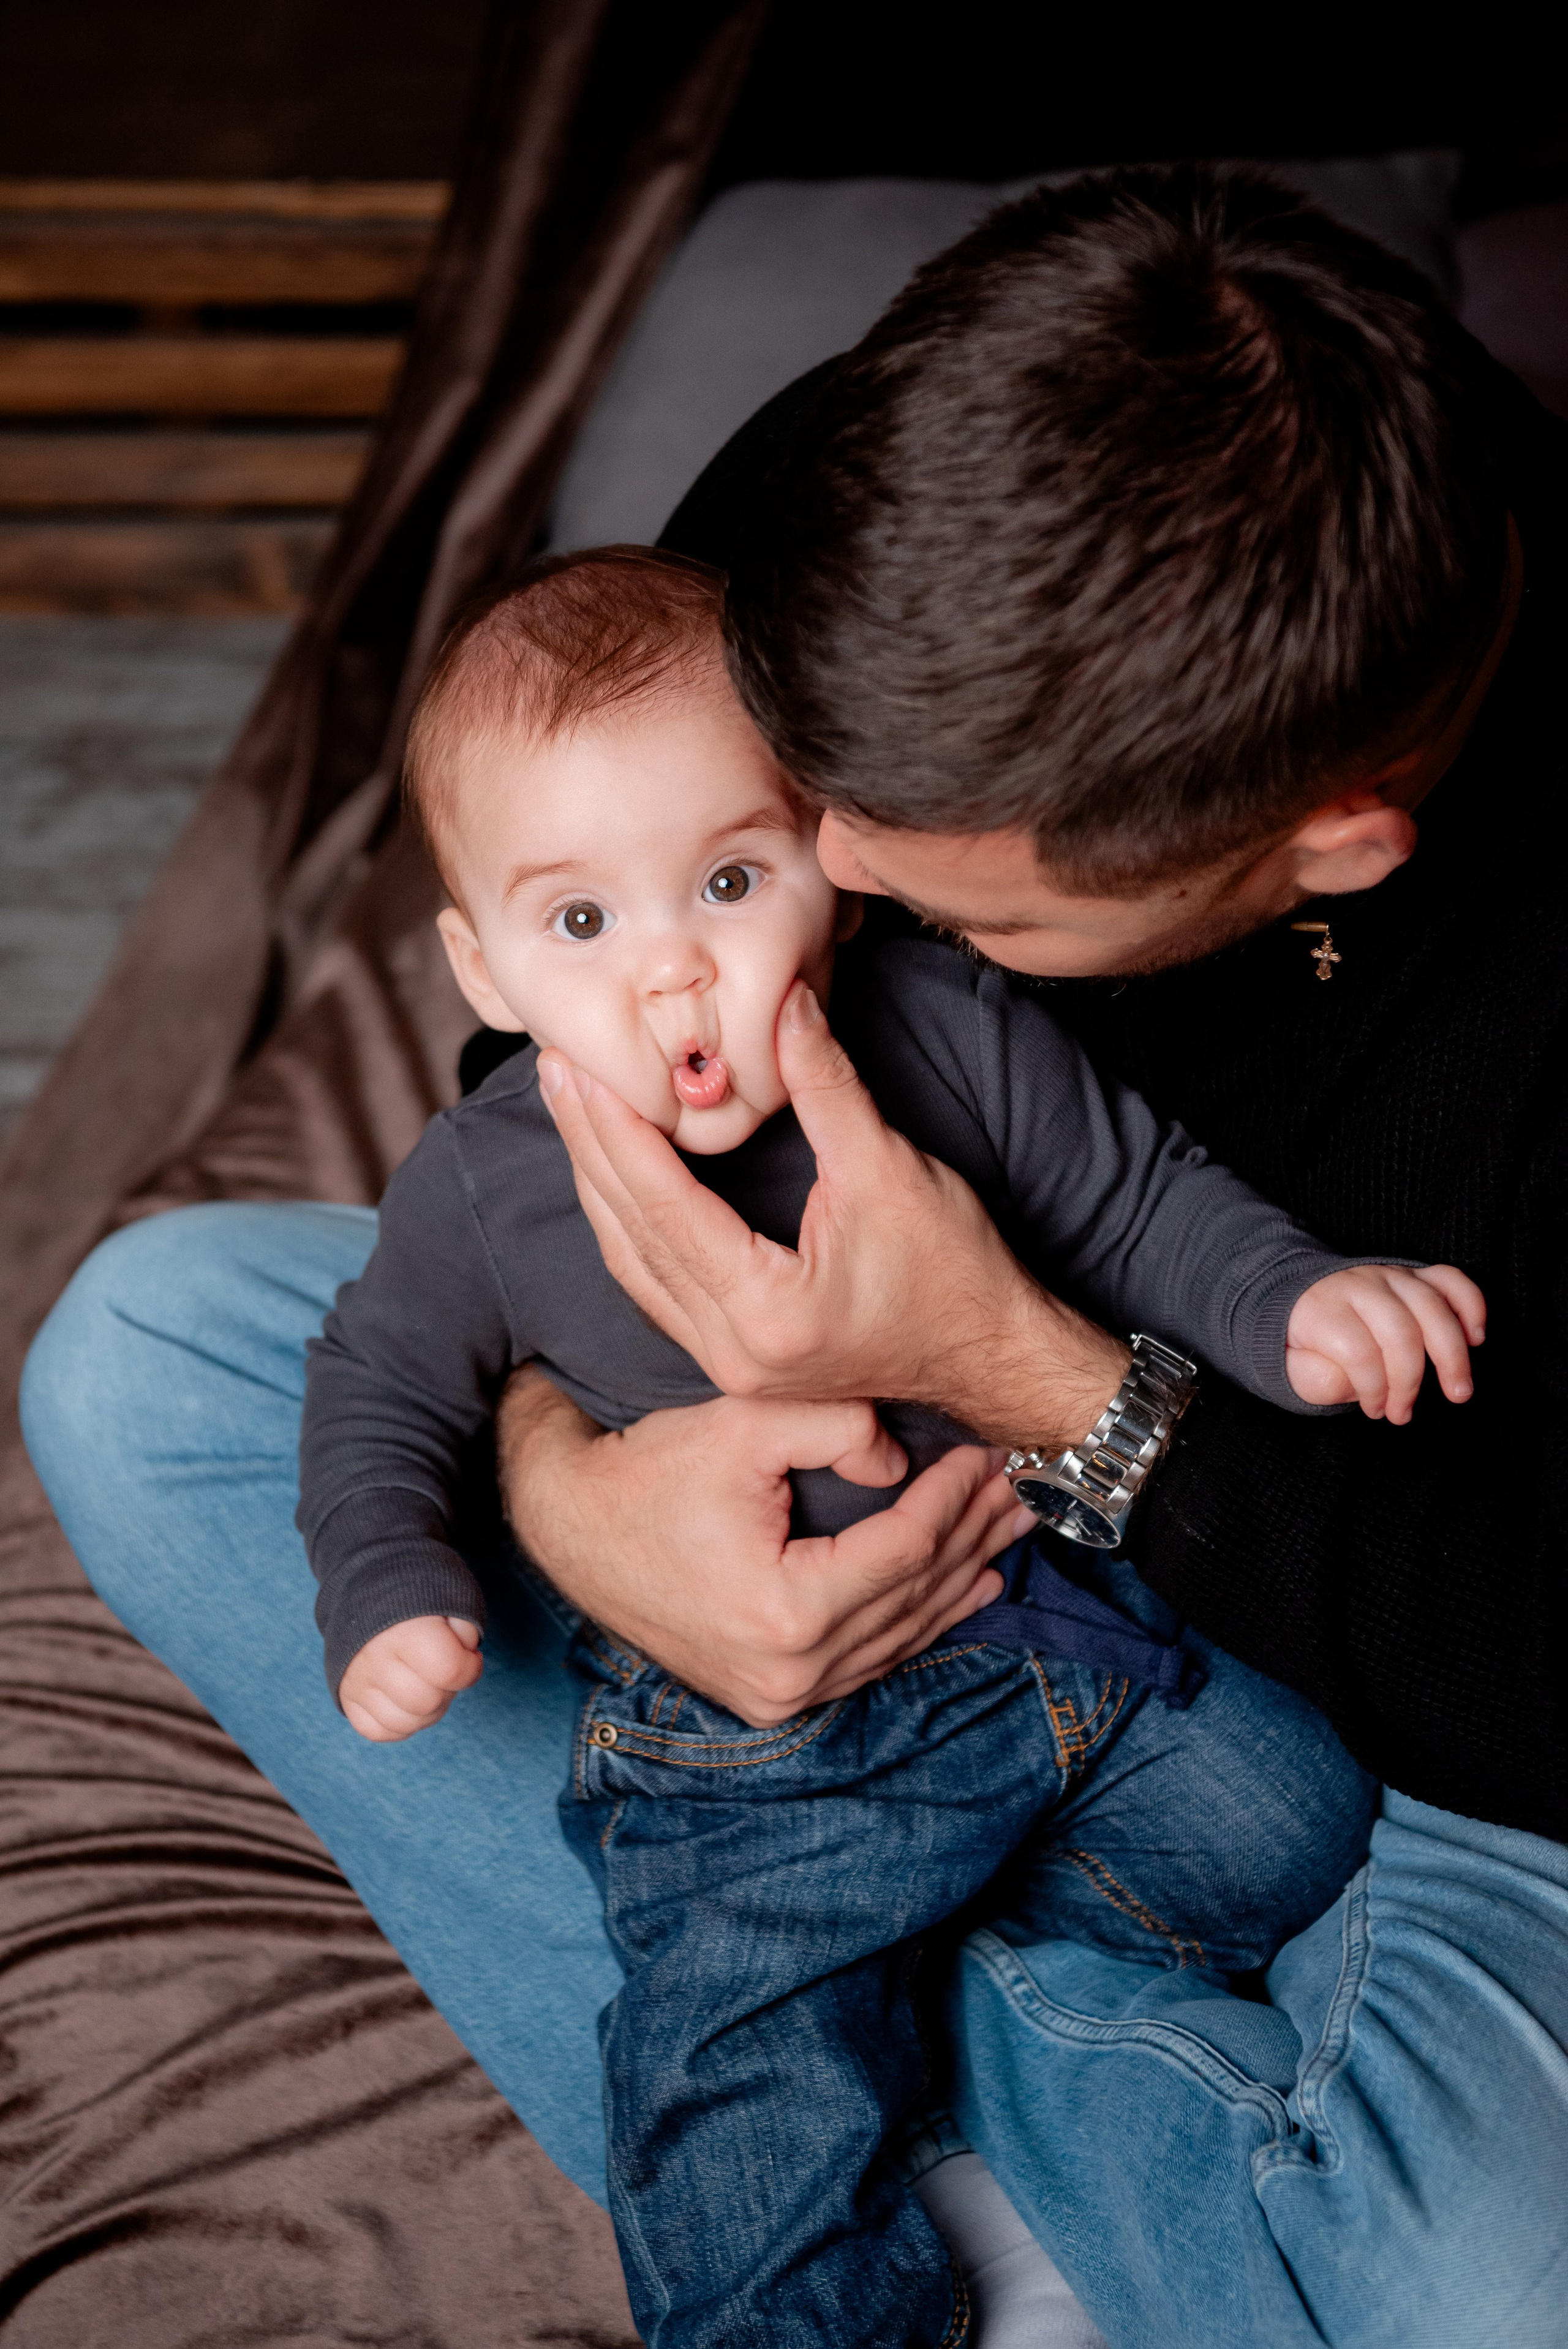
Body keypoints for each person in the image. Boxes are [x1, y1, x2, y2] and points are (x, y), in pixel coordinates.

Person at [20, 162, 1568, 2346]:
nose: (804, 905)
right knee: (136, 1356)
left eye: (947, 899)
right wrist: (572, 1480)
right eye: (800, 813)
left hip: (1383, 1666)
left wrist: (1040, 1376)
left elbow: (1525, 1661)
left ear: (1332, 841)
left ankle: (830, 2093)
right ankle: (980, 2128)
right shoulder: (870, 505)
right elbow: (563, 992)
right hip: (787, 1558)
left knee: (1495, 2289)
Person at [301, 543, 1474, 2348]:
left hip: (1067, 1633)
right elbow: (379, 1388)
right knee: (735, 2070)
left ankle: (949, 2005)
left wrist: (1296, 1304)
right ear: (485, 968)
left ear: (835, 872)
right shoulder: (486, 1179)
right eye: (581, 924)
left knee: (1300, 1809)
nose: (674, 976)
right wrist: (391, 1579)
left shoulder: (947, 1028)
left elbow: (1140, 1202)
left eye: (728, 882)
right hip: (764, 1740)